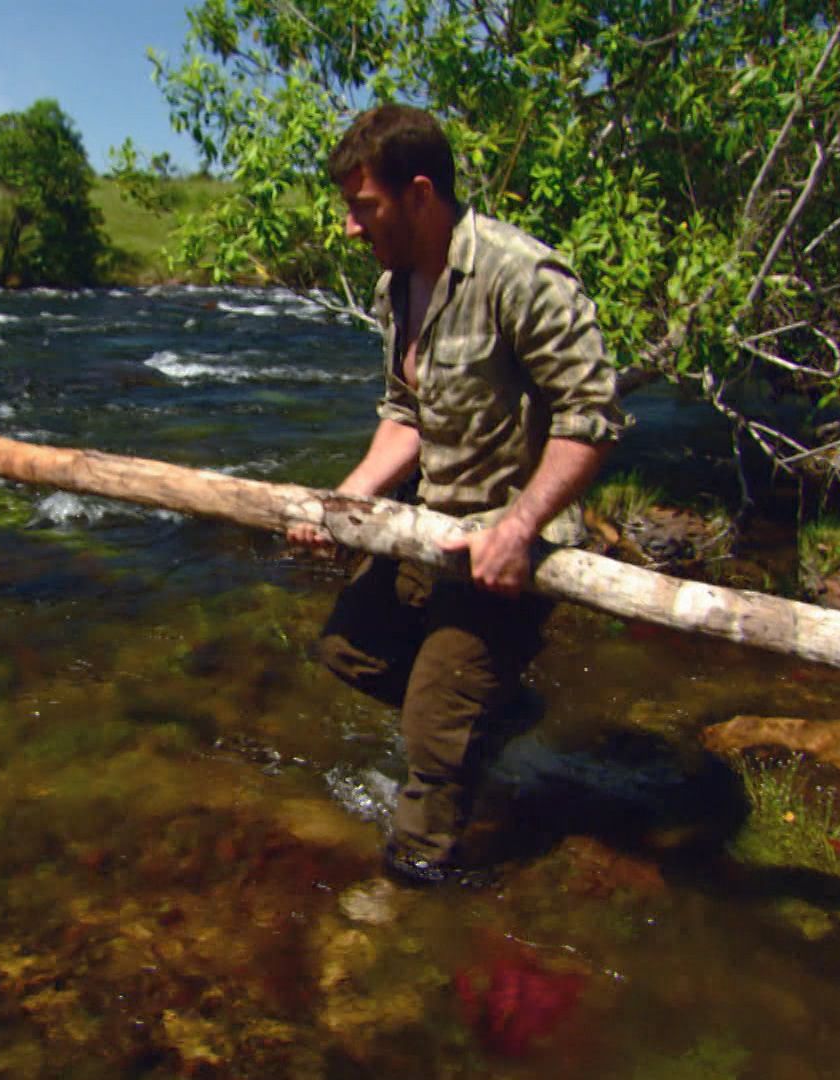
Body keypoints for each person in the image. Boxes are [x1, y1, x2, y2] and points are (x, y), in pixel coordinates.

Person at [287, 104, 625, 886]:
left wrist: (520, 525)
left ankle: (413, 894)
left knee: (434, 737)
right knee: (347, 649)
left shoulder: (521, 275)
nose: (348, 226)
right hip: (427, 528)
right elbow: (406, 414)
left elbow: (593, 419)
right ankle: (490, 715)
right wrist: (348, 500)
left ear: (418, 194)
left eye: (361, 206)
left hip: (512, 551)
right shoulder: (395, 288)